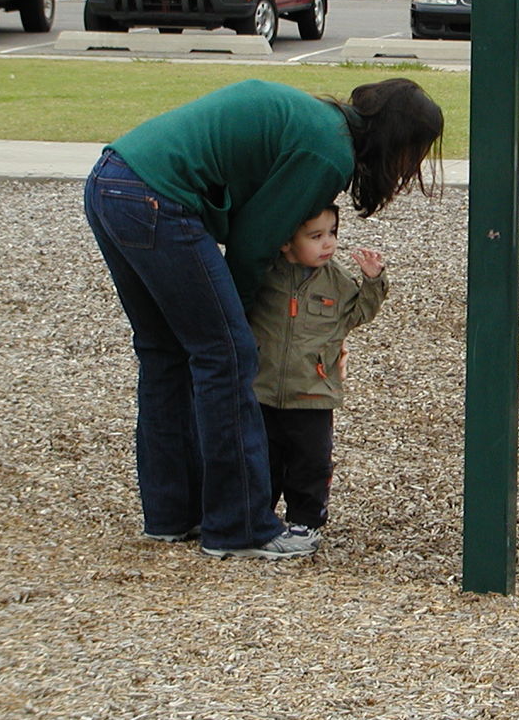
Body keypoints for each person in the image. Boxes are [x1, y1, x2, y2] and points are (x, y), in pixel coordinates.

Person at [83, 77, 443, 560]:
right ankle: (240, 527)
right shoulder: (328, 152)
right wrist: (243, 322)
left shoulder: (316, 120)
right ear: (398, 140)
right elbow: (254, 244)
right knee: (227, 357)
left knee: (165, 352)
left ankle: (172, 515)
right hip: (158, 200)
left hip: (112, 182)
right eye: (413, 154)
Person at [248, 204, 387, 542]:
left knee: (310, 462)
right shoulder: (267, 275)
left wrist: (373, 281)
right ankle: (258, 518)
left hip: (313, 391)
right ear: (285, 242)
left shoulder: (337, 281)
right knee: (263, 458)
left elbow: (358, 313)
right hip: (263, 389)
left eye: (333, 234)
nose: (329, 244)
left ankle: (305, 521)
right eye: (316, 236)